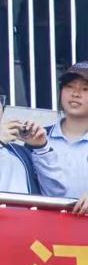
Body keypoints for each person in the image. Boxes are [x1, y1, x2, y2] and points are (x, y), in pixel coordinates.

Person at [31, 62, 88, 215]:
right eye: (69, 86)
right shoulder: (38, 137)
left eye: (85, 89)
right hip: (48, 226)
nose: (75, 94)